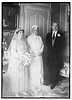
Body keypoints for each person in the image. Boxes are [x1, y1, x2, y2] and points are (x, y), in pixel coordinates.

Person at [7, 28, 31, 97]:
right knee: (17, 76)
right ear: (17, 33)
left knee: (23, 75)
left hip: (24, 60)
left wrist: (26, 56)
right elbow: (13, 52)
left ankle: (22, 90)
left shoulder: (24, 41)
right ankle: (16, 91)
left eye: (22, 32)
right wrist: (20, 57)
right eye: (20, 32)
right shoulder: (14, 41)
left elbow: (26, 50)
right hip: (17, 60)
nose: (22, 34)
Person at [46, 22, 66, 89]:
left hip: (57, 56)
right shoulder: (48, 35)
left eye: (56, 26)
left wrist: (58, 53)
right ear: (51, 26)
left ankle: (53, 83)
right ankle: (50, 81)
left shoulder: (61, 35)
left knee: (55, 69)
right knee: (50, 68)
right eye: (53, 26)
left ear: (58, 27)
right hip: (50, 55)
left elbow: (64, 45)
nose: (55, 27)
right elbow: (47, 45)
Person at [27, 25, 44, 94]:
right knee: (33, 70)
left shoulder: (39, 37)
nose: (36, 31)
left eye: (37, 30)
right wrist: (32, 52)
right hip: (33, 56)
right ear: (32, 30)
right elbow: (28, 46)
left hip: (39, 56)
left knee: (39, 69)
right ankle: (33, 85)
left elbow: (42, 45)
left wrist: (41, 51)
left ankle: (39, 84)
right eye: (34, 30)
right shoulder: (29, 38)